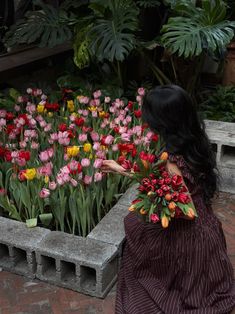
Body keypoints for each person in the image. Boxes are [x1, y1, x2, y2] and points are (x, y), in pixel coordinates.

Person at [101, 85, 235, 314]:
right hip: (207, 227)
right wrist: (121, 169)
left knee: (137, 227)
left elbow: (186, 207)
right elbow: (163, 180)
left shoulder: (172, 160)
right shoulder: (195, 140)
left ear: (162, 122)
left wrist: (155, 204)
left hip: (188, 233)